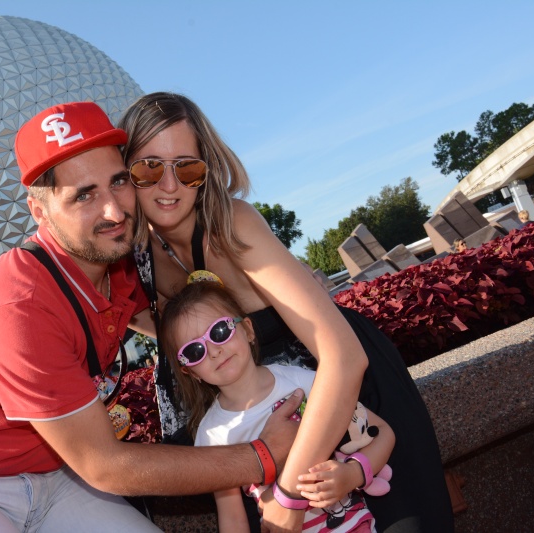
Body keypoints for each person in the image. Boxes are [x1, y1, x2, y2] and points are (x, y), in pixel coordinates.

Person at [0, 101, 303, 533]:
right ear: (40, 212)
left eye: (118, 182)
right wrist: (262, 456)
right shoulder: (18, 306)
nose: (114, 212)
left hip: (58, 477)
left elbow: (195, 307)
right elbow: (106, 465)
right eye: (84, 195)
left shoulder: (120, 262)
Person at [118, 92, 453, 532]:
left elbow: (344, 358)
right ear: (124, 172)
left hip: (344, 400)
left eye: (187, 167)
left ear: (206, 171)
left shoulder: (231, 223)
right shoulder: (140, 262)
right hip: (265, 426)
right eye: (148, 167)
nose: (169, 185)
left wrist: (291, 495)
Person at [160, 281, 395, 533]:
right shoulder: (211, 435)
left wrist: (353, 474)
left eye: (219, 331)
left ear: (248, 330)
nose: (214, 350)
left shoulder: (301, 381)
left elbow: (382, 433)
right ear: (190, 372)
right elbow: (232, 518)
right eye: (195, 351)